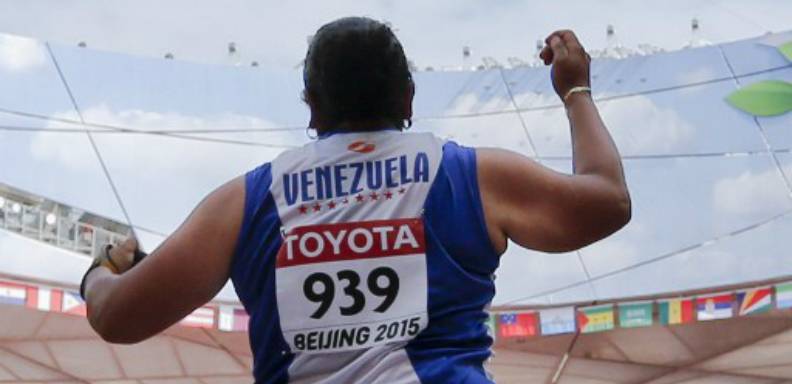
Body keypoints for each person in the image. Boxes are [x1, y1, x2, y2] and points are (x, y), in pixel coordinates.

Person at [81, 17, 630, 383]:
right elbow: (607, 201)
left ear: (313, 107)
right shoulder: (473, 176)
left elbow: (115, 318)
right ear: (409, 98)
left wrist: (102, 272)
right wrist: (575, 90)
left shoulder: (243, 202)